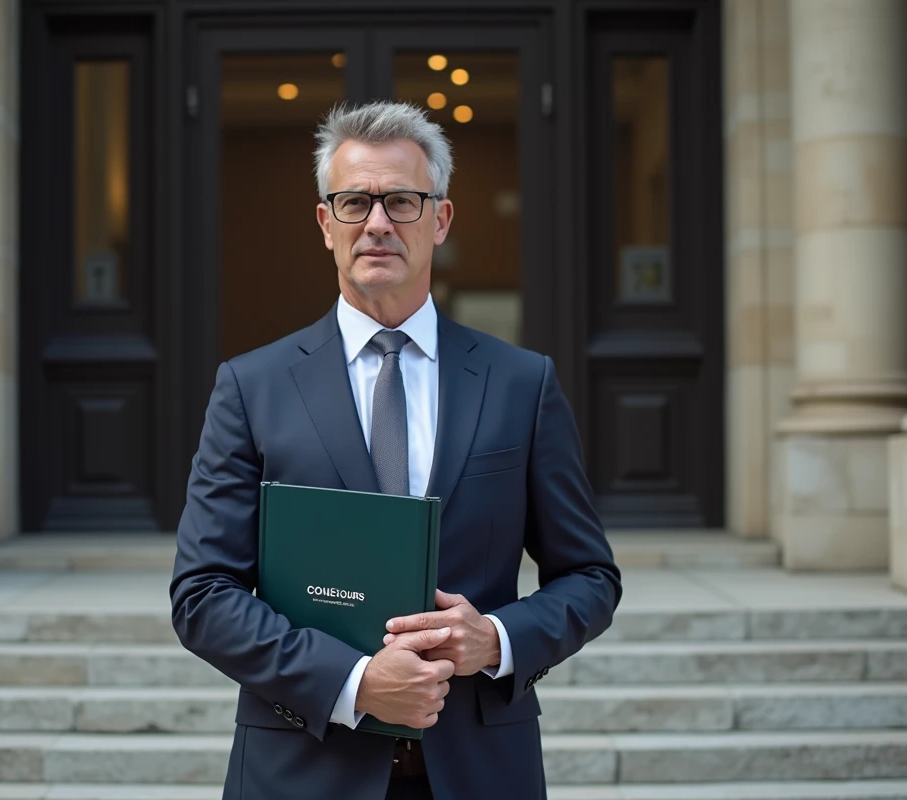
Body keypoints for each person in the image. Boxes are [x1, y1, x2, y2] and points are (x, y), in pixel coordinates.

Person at [169, 100, 622, 800]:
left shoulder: (521, 383)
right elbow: (202, 594)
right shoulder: (250, 387)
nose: (377, 223)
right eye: (354, 202)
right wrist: (352, 682)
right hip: (301, 770)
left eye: (402, 201)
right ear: (326, 224)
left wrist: (496, 639)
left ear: (439, 219)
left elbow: (591, 576)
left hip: (478, 772)